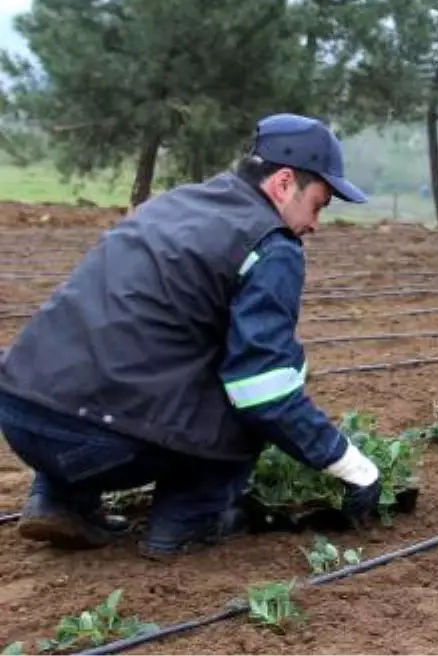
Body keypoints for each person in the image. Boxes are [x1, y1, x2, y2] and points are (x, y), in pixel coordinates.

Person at [0, 114, 383, 558]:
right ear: (283, 184)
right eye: (319, 203)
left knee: (123, 353)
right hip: (100, 441)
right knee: (252, 390)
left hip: (20, 411)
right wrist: (350, 465)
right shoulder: (271, 244)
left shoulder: (174, 203)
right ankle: (187, 519)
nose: (315, 224)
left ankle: (58, 499)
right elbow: (264, 390)